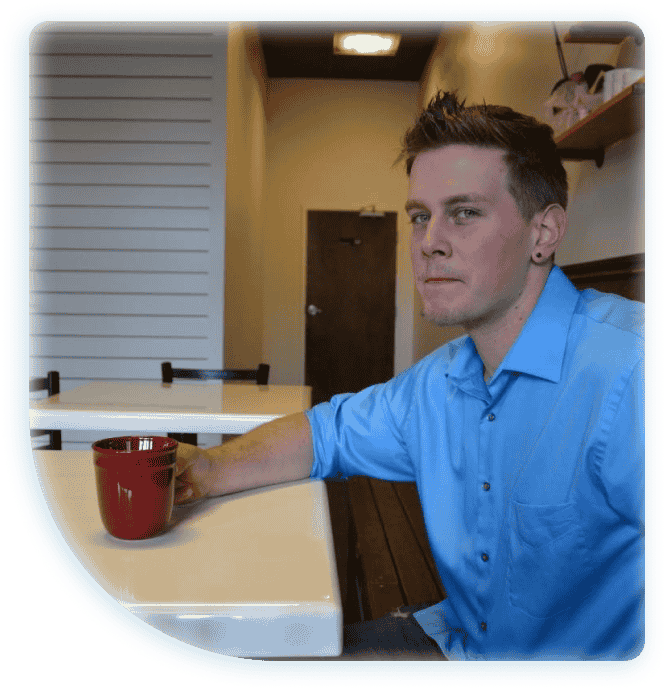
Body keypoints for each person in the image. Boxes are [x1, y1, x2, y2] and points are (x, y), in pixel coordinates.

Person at [174, 92, 645, 660]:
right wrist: (207, 466)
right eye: (420, 216)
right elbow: (327, 434)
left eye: (464, 213)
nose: (428, 243)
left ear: (543, 234)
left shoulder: (632, 372)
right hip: (459, 648)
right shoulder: (439, 383)